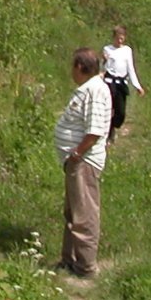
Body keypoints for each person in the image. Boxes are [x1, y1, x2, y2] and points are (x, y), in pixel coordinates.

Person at [53, 48, 112, 276]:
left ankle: (86, 266)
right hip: (75, 162)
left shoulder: (95, 90)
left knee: (84, 213)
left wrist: (77, 153)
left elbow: (94, 130)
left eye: (72, 66)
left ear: (79, 67)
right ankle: (70, 259)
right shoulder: (89, 89)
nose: (71, 71)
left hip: (84, 162)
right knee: (72, 212)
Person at [100, 25, 144, 145]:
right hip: (109, 82)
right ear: (113, 37)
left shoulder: (127, 50)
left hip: (121, 83)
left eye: (122, 38)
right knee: (109, 109)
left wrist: (137, 86)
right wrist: (103, 61)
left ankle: (114, 125)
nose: (120, 40)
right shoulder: (107, 49)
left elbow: (130, 69)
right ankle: (108, 133)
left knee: (120, 112)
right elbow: (103, 67)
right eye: (118, 38)